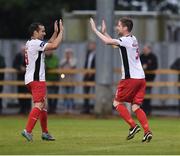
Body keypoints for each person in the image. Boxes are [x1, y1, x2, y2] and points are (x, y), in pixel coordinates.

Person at [90, 17, 152, 142]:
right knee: (135, 107)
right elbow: (114, 44)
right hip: (141, 78)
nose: (117, 27)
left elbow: (108, 42)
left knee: (117, 103)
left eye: (119, 25)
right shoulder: (133, 39)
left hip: (130, 79)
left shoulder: (125, 40)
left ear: (125, 28)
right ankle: (147, 132)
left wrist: (95, 30)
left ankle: (133, 126)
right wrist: (104, 33)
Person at [21, 19, 63, 142]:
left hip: (30, 79)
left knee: (43, 106)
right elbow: (54, 46)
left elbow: (48, 44)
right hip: (36, 79)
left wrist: (55, 32)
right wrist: (62, 32)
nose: (44, 33)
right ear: (35, 32)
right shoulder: (34, 43)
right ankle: (27, 130)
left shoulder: (31, 43)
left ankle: (45, 133)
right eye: (42, 31)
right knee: (39, 104)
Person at [140, 44, 158, 116]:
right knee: (141, 95)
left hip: (149, 79)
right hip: (141, 79)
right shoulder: (141, 56)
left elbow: (155, 67)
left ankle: (147, 110)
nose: (144, 51)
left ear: (149, 50)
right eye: (144, 50)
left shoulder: (153, 57)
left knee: (147, 95)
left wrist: (147, 67)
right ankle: (142, 111)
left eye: (146, 49)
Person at [13, 45, 31, 115]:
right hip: (20, 78)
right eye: (23, 50)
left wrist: (25, 69)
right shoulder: (18, 56)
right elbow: (14, 65)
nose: (24, 51)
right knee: (20, 93)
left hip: (28, 78)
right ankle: (22, 108)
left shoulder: (29, 56)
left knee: (28, 93)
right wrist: (20, 68)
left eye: (25, 50)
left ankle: (27, 108)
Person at [60, 48, 77, 113]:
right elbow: (61, 65)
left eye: (69, 53)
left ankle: (70, 108)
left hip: (71, 80)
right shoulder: (63, 60)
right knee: (65, 95)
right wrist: (66, 60)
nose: (68, 54)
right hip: (64, 80)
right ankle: (65, 108)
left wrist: (69, 59)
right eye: (67, 53)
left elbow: (72, 65)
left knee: (71, 95)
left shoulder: (74, 60)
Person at [82, 42, 96, 114]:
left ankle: (95, 107)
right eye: (90, 45)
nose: (90, 46)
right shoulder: (88, 54)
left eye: (92, 45)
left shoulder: (97, 55)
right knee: (86, 92)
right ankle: (86, 108)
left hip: (94, 76)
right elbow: (86, 64)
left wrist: (92, 72)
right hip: (87, 76)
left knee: (95, 92)